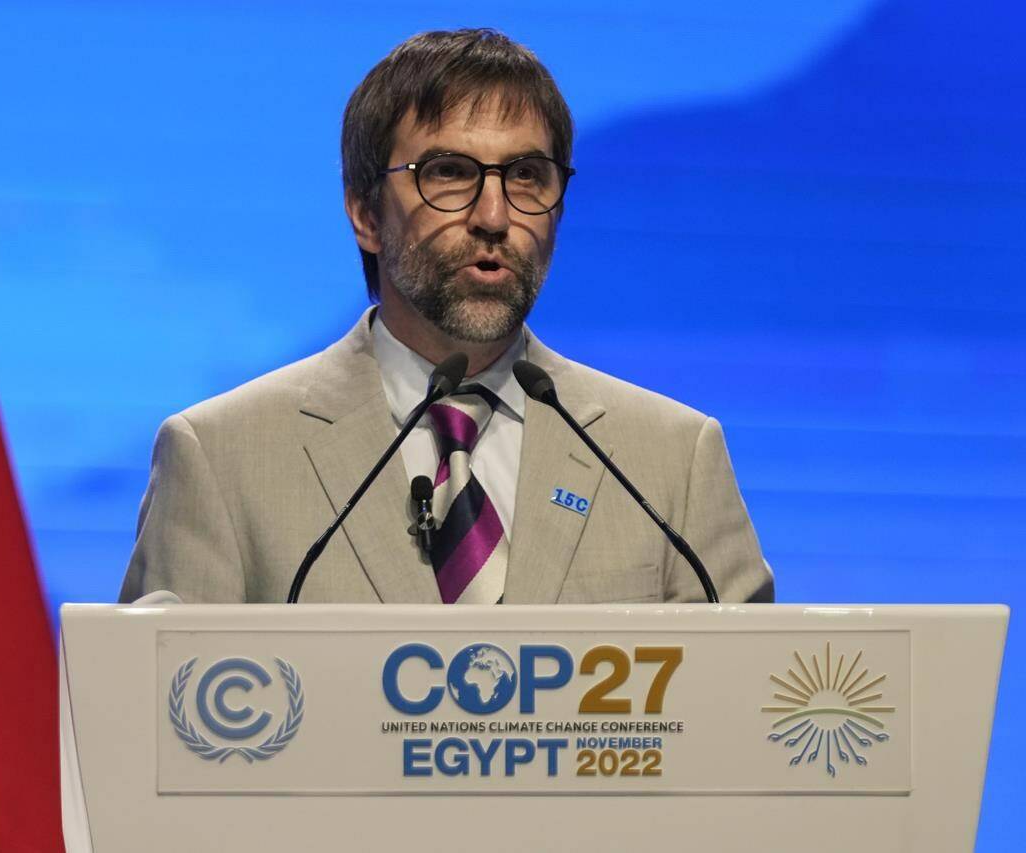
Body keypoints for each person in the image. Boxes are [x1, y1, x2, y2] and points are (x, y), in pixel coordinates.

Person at [119, 29, 773, 605]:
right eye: (450, 173)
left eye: (526, 175)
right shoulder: (222, 458)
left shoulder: (669, 459)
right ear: (366, 213)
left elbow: (751, 718)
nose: (494, 216)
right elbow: (152, 725)